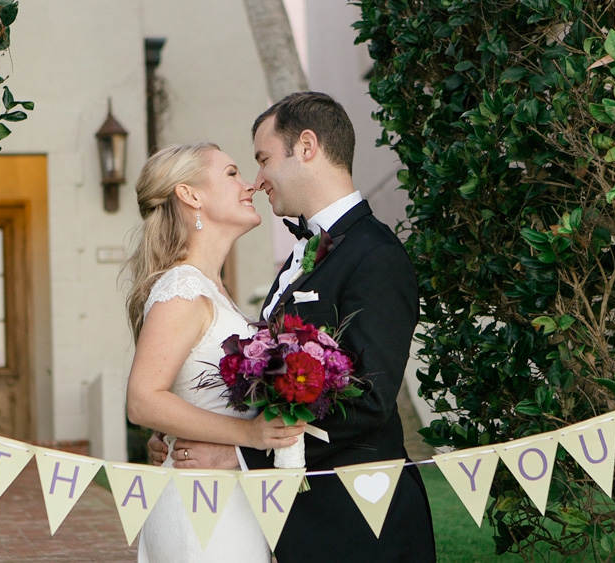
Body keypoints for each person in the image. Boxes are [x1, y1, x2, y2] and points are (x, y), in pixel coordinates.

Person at [148, 92, 436, 562]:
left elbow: (369, 399)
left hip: (361, 522)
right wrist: (186, 426)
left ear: (306, 147)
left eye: (263, 159)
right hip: (305, 523)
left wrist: (241, 455)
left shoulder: (375, 255)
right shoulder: (304, 255)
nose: (257, 179)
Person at [124, 142, 305, 562]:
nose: (250, 185)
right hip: (200, 509)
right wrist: (248, 436)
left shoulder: (211, 288)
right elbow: (143, 399)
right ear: (190, 195)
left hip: (224, 498)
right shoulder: (182, 289)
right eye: (231, 174)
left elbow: (187, 388)